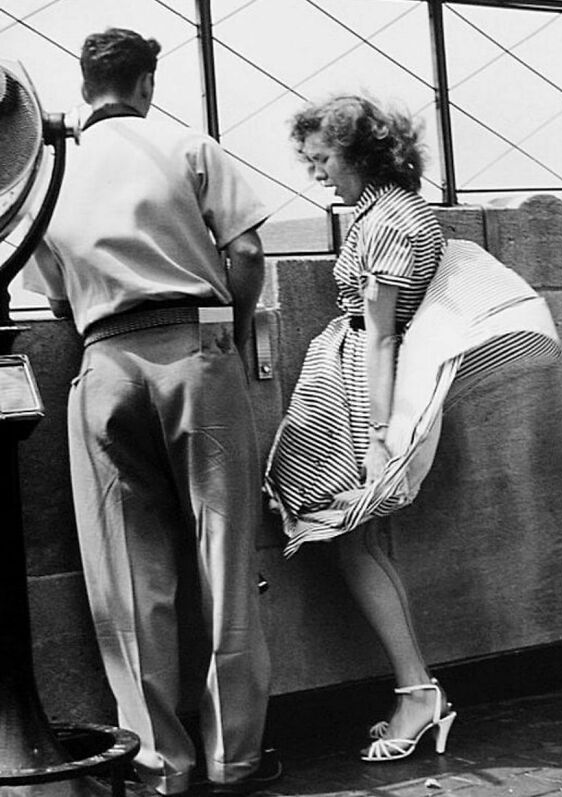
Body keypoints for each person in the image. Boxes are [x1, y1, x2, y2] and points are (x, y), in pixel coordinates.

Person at [23, 28, 277, 796]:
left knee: (127, 577)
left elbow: (56, 291)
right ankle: (234, 755)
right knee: (225, 555)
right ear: (147, 81)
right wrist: (229, 334)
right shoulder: (188, 146)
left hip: (103, 359)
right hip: (194, 349)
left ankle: (160, 764)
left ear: (84, 84)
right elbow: (249, 254)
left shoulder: (46, 176)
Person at [265, 94, 458, 763]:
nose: (317, 174)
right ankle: (418, 691)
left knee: (351, 538)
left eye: (324, 160)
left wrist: (379, 434)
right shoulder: (403, 210)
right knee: (363, 541)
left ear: (359, 152)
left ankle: (418, 691)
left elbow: (378, 338)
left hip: (366, 391)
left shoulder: (385, 223)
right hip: (372, 381)